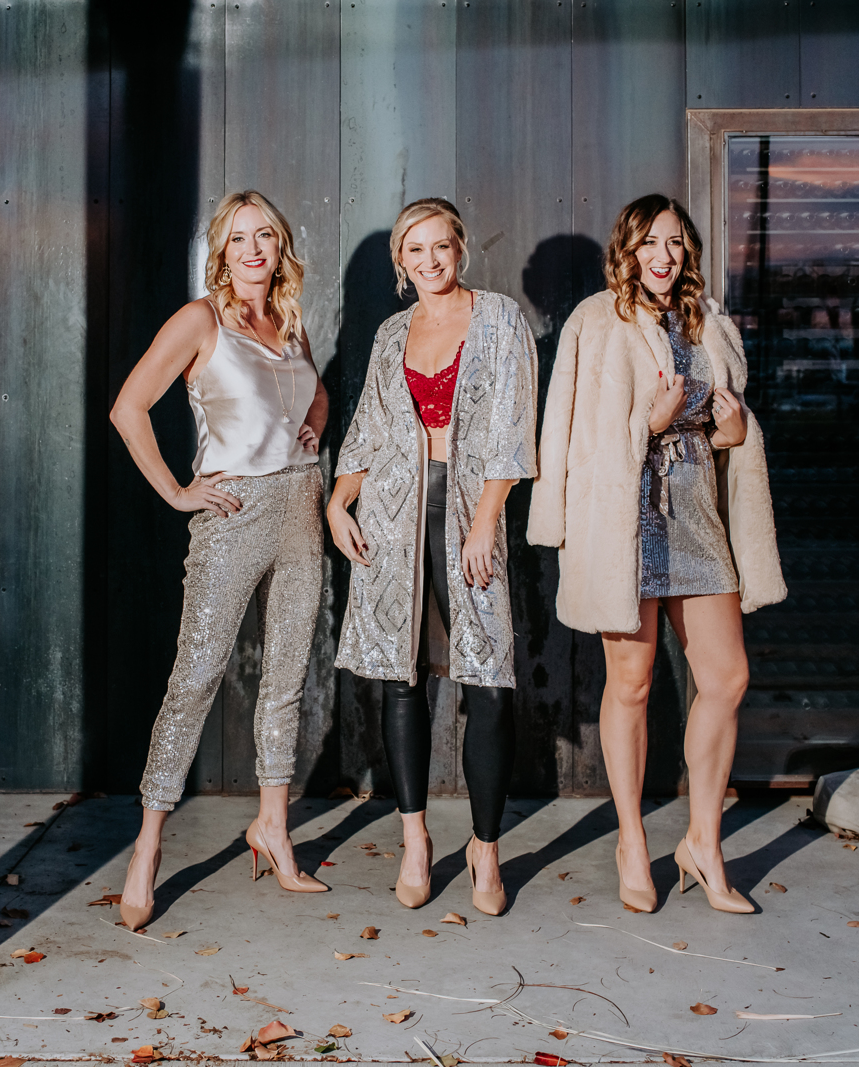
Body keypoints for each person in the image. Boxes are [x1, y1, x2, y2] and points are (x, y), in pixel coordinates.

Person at [527, 194, 786, 915]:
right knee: (633, 684)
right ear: (627, 250)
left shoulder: (711, 323)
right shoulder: (594, 321)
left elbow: (728, 427)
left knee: (727, 677)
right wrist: (648, 421)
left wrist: (734, 432)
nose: (663, 257)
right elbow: (567, 432)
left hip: (698, 518)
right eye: (649, 244)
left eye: (674, 243)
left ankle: (703, 842)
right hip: (626, 521)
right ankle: (632, 839)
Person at [109, 190, 332, 931]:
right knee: (197, 676)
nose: (255, 250)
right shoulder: (200, 318)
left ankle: (273, 827)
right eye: (240, 239)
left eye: (266, 235)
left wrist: (312, 432)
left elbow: (317, 397)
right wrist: (176, 490)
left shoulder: (289, 320)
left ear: (281, 245)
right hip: (233, 517)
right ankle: (146, 849)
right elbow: (128, 406)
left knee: (287, 677)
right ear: (222, 249)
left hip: (302, 509)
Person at [327, 198, 538, 916]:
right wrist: (337, 500)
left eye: (439, 246)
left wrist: (485, 520)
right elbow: (368, 425)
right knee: (401, 674)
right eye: (413, 251)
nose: (428, 261)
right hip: (392, 511)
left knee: (488, 678)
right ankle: (415, 840)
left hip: (468, 505)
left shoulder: (500, 318)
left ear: (461, 247)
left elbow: (513, 424)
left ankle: (484, 848)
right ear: (400, 262)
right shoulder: (392, 333)